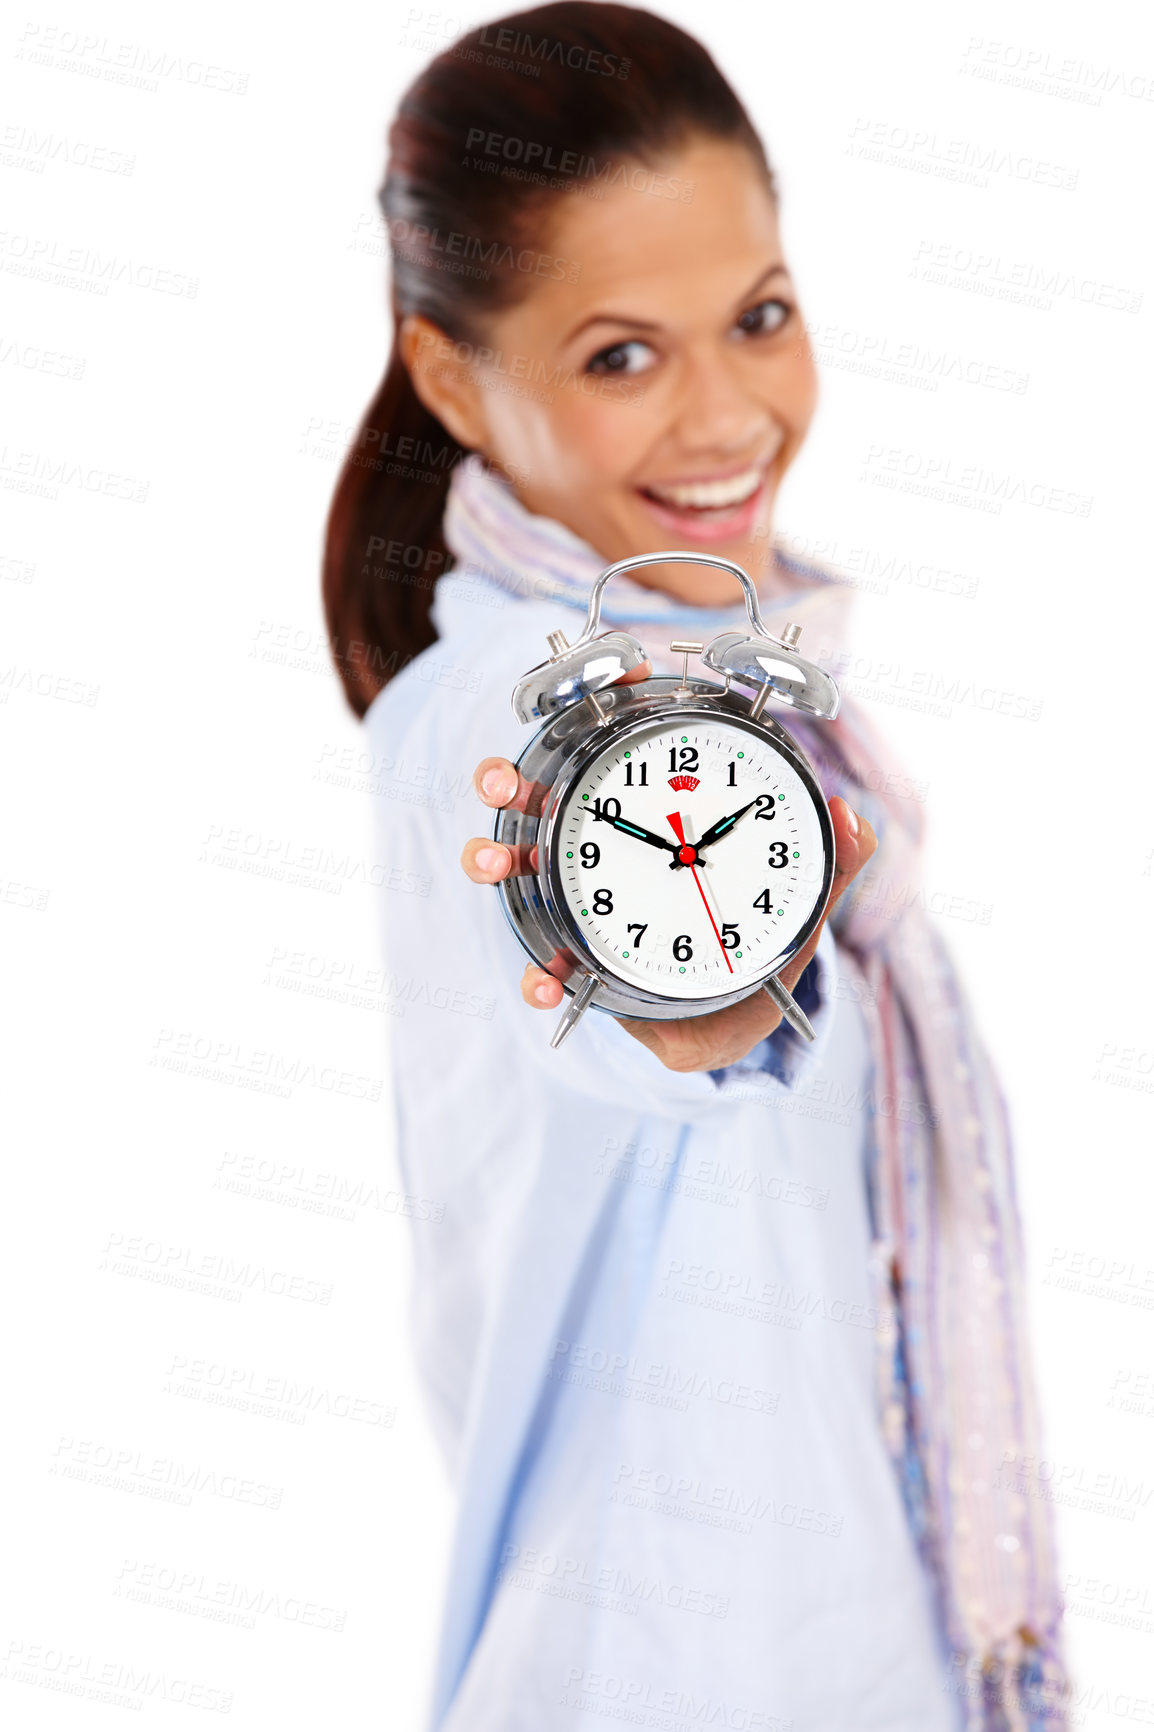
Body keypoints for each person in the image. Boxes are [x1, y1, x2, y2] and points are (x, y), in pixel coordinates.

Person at [323, 6, 1068, 1727]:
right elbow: (652, 1003)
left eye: (756, 317)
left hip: (863, 1630)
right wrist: (705, 981)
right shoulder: (508, 710)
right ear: (452, 380)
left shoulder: (747, 678)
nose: (727, 413)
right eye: (618, 356)